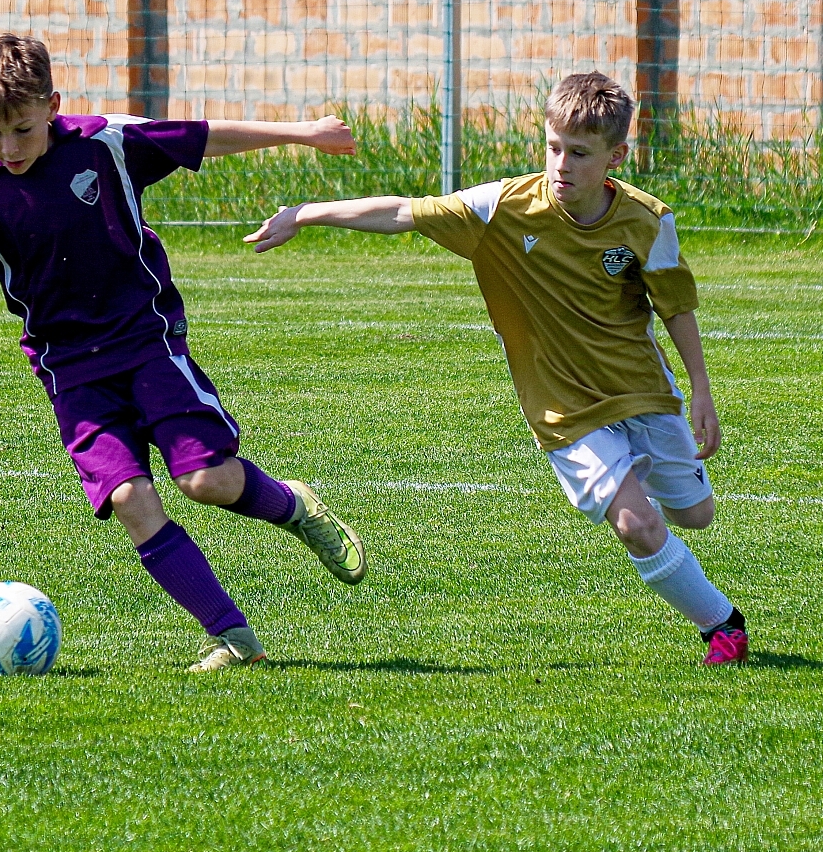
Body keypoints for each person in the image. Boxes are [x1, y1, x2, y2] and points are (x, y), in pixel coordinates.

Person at [245, 72, 747, 663]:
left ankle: (642, 491)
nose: (561, 165)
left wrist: (702, 391)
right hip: (562, 407)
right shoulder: (505, 206)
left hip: (642, 390)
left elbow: (676, 306)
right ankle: (722, 625)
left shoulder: (647, 220)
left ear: (616, 157)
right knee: (638, 526)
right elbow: (403, 212)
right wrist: (306, 213)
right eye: (553, 147)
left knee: (696, 515)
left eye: (579, 153)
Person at [0, 33, 367, 671]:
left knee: (205, 481)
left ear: (52, 107)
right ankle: (235, 640)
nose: (8, 148)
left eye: (21, 130)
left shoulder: (104, 144)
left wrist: (305, 134)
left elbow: (203, 136)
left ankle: (294, 506)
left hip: (146, 342)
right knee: (129, 498)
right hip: (70, 370)